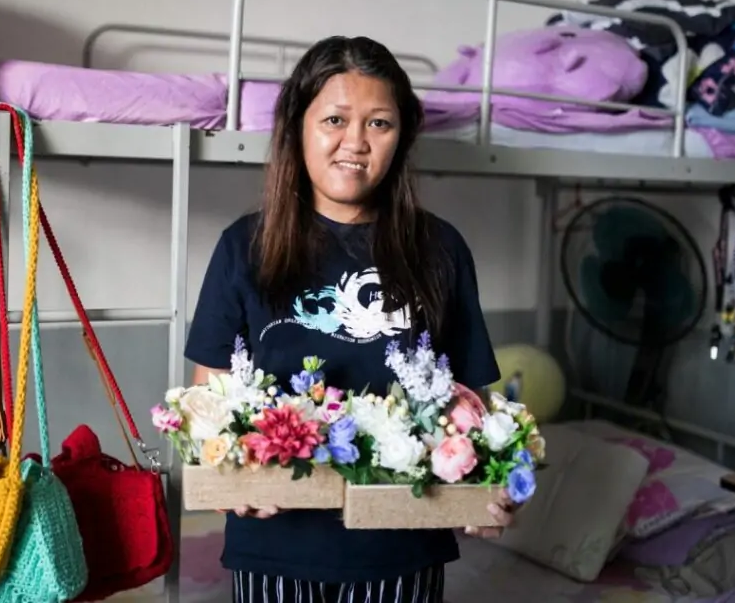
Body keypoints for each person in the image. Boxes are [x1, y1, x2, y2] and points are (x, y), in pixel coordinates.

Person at [185, 35, 513, 603]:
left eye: (379, 124)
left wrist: (495, 482)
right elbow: (205, 406)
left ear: (402, 136)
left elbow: (471, 406)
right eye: (334, 119)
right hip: (275, 546)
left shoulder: (441, 249)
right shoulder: (244, 247)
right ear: (298, 128)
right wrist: (224, 483)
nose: (354, 143)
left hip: (402, 546)